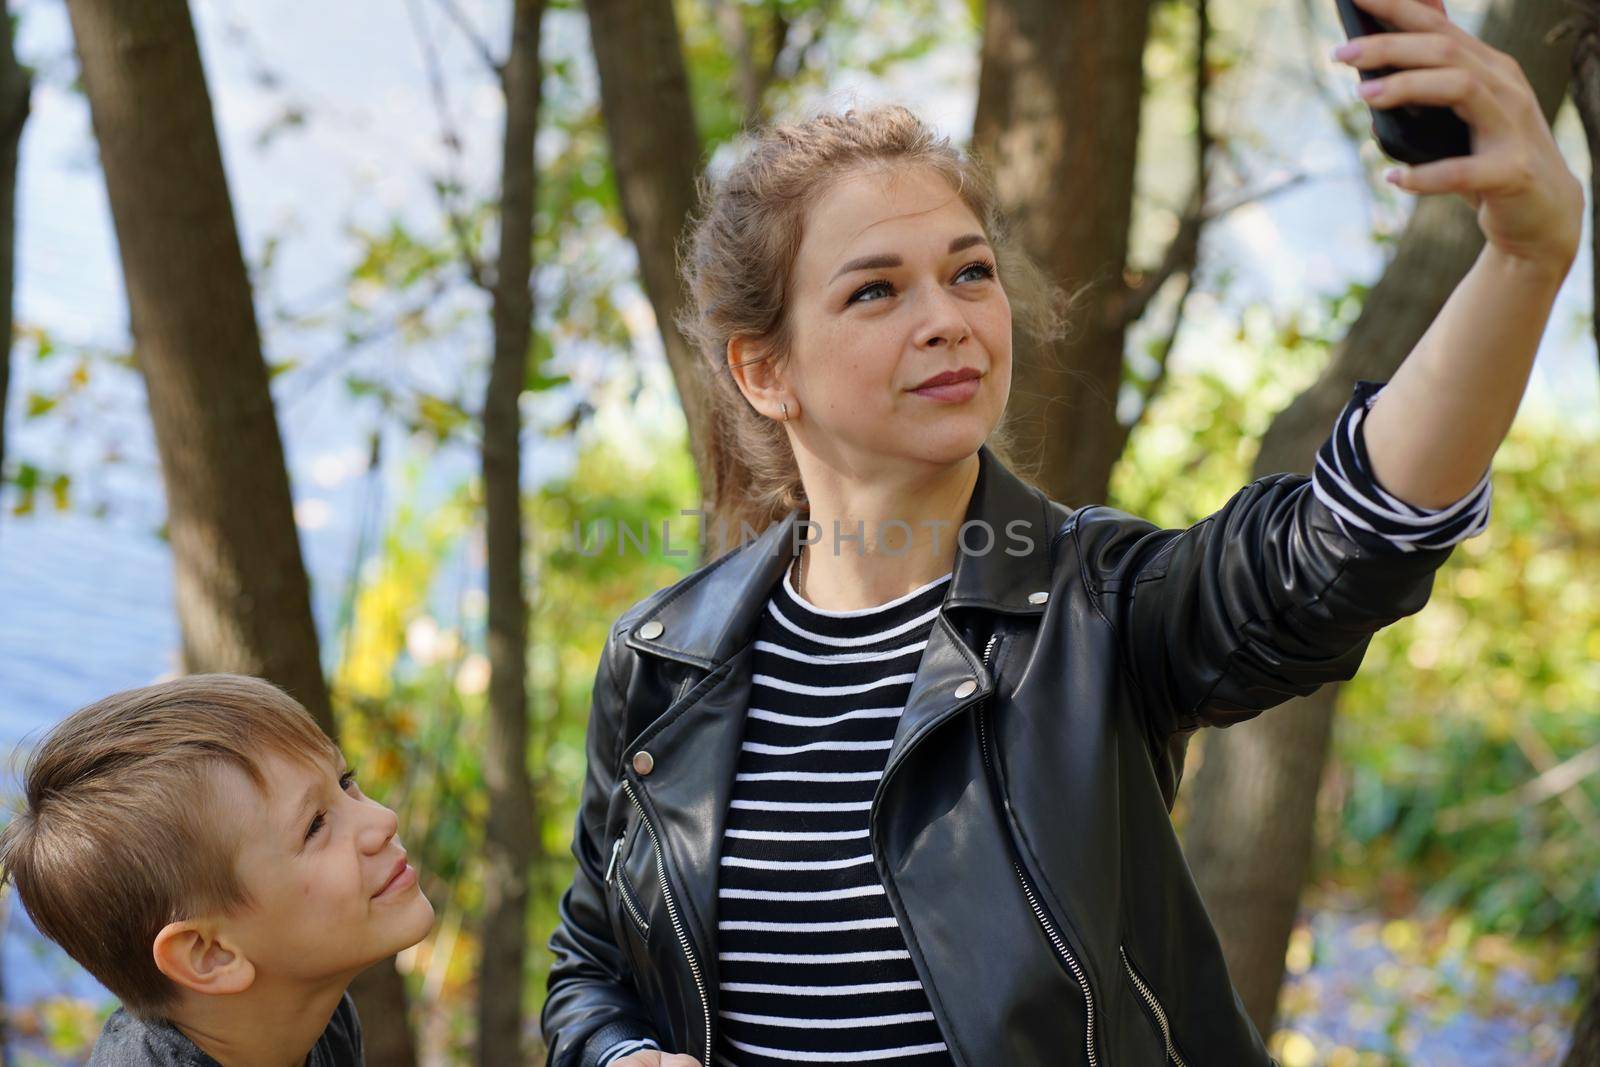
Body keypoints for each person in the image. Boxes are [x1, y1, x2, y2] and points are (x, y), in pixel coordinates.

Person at [540, 2, 1582, 1063]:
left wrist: (1523, 257)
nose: (946, 316)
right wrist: (621, 1055)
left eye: (969, 271)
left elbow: (1336, 544)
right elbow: (594, 965)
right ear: (764, 371)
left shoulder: (1098, 606)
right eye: (874, 290)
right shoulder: (664, 663)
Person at [0, 674, 435, 1066]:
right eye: (315, 826)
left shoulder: (322, 1019)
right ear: (210, 953)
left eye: (345, 782)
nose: (382, 821)